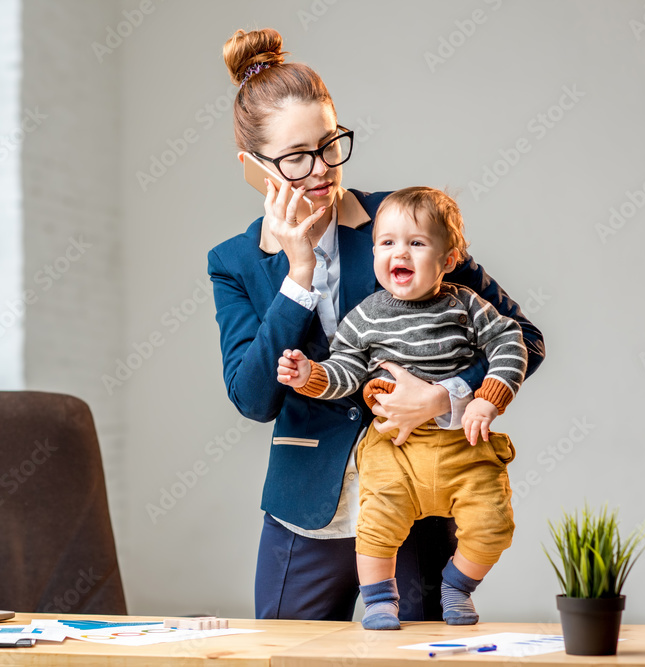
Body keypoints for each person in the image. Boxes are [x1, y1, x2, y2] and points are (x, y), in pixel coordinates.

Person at [207, 27, 545, 622]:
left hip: (420, 500)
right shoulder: (234, 263)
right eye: (295, 157)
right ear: (252, 167)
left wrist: (444, 397)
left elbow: (523, 336)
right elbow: (254, 398)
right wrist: (299, 273)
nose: (320, 170)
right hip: (308, 508)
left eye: (330, 143)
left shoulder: (411, 222)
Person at [277, 186, 526, 629]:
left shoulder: (465, 305)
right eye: (387, 243)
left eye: (417, 243)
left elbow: (511, 340)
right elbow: (345, 371)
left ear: (448, 260)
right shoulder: (366, 316)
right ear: (374, 253)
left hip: (462, 443)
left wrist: (486, 398)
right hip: (395, 446)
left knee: (493, 523)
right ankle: (378, 600)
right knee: (376, 523)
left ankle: (458, 584)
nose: (400, 253)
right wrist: (309, 376)